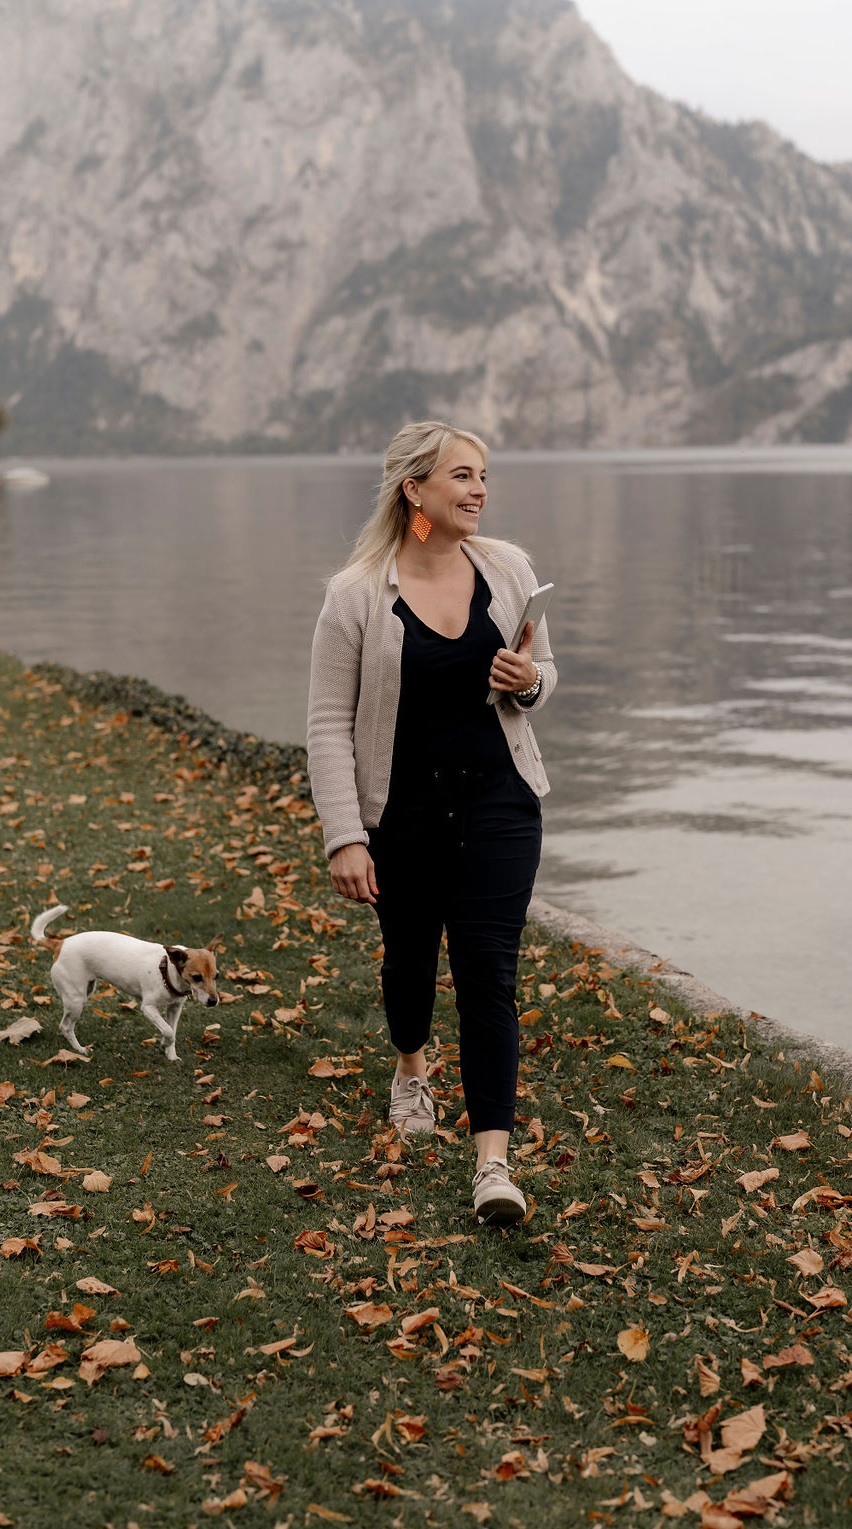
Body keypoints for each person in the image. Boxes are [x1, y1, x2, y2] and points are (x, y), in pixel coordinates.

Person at [306, 420, 556, 1225]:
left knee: (489, 972)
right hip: (402, 814)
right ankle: (411, 1066)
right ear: (415, 489)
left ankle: (493, 1165)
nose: (479, 489)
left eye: (484, 475)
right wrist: (345, 834)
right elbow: (325, 724)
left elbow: (542, 672)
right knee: (410, 964)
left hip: (499, 803)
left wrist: (526, 682)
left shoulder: (509, 568)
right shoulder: (355, 594)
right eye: (462, 475)